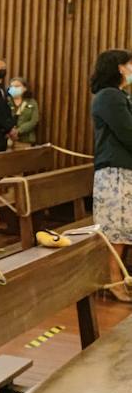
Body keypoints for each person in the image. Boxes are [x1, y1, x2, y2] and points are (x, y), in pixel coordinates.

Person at [90, 50, 132, 300]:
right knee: (116, 228)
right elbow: (127, 132)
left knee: (124, 226)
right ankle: (112, 280)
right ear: (118, 68)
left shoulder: (118, 95)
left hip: (123, 169)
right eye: (129, 64)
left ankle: (119, 277)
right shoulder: (109, 96)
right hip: (115, 171)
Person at [9, 77, 39, 148]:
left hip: (25, 140)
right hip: (7, 140)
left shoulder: (31, 102)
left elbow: (34, 121)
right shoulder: (6, 102)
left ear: (25, 88)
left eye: (17, 86)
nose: (14, 88)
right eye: (12, 86)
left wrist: (18, 131)